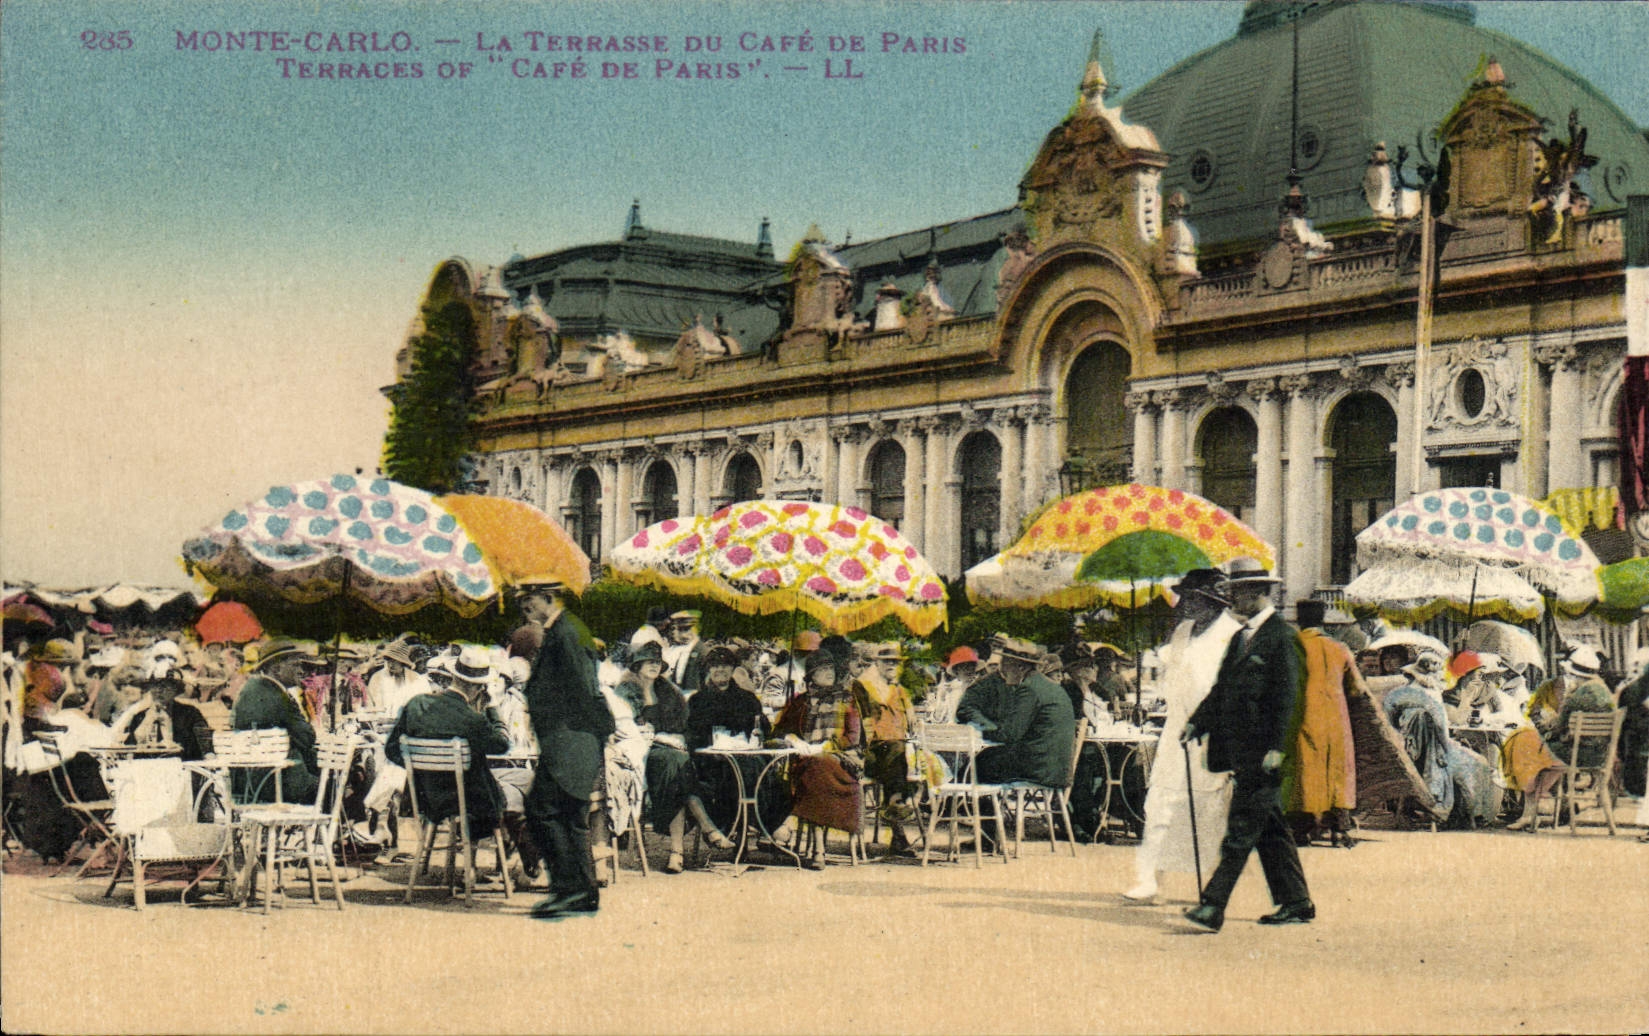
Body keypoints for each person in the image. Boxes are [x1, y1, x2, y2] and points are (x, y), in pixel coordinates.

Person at [1181, 558, 1312, 933]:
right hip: (1240, 750)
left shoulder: (1283, 637)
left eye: (1237, 592)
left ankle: (1212, 906)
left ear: (1256, 592)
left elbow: (1291, 698)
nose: (1232, 599)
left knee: (1240, 830)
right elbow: (1221, 689)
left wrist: (1278, 747)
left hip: (1265, 753)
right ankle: (1297, 902)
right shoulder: (1241, 638)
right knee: (1269, 829)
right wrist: (1197, 721)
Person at [1125, 568, 1241, 903]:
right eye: (1185, 597)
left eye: (1194, 598)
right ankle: (1151, 879)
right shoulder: (1181, 633)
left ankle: (1210, 886)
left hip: (1213, 733)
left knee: (1208, 807)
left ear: (1214, 602)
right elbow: (1171, 680)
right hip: (1176, 731)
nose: (1186, 604)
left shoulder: (1233, 635)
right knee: (1160, 801)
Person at [512, 585, 615, 919]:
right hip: (569, 740)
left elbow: (586, 689)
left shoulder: (567, 632)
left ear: (548, 597)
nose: (524, 605)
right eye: (522, 601)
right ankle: (581, 892)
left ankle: (571, 889)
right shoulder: (563, 629)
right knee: (570, 816)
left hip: (570, 740)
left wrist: (591, 735)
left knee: (543, 810)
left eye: (529, 599)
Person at [616, 641, 732, 873]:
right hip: (638, 754)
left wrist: (678, 738)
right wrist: (660, 737)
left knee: (676, 770)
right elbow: (626, 729)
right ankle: (706, 828)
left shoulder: (668, 691)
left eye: (657, 662)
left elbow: (685, 726)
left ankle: (677, 854)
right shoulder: (625, 691)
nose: (654, 666)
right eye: (649, 662)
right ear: (637, 665)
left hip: (668, 757)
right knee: (676, 764)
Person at [384, 645, 513, 846]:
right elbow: (502, 745)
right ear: (478, 687)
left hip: (427, 799)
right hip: (469, 804)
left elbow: (391, 749)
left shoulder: (417, 704)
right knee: (519, 784)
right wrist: (493, 706)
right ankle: (507, 847)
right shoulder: (472, 719)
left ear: (453, 676)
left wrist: (419, 768)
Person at [1383, 649, 1501, 827]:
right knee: (1480, 762)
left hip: (1409, 751)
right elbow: (1443, 731)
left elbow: (1388, 723)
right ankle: (1472, 815)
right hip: (1435, 752)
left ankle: (1462, 814)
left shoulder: (1397, 694)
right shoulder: (1432, 697)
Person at [1503, 645, 1615, 830]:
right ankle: (1531, 812)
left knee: (1526, 749)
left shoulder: (1577, 696)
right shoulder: (1604, 691)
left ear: (1575, 673)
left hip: (1575, 755)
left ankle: (1528, 813)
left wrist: (1546, 727)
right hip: (1599, 755)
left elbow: (1557, 728)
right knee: (1542, 757)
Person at [1283, 600, 1365, 847]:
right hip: (1337, 721)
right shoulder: (1340, 648)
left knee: (1304, 771)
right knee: (1337, 770)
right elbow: (1358, 689)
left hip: (1304, 717)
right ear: (1323, 621)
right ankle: (1339, 830)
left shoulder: (1291, 646)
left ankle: (1302, 829)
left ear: (1299, 621)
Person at [772, 648, 864, 869]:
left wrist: (825, 747)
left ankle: (800, 831)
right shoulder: (801, 702)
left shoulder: (847, 699)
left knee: (818, 766)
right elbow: (779, 731)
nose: (829, 672)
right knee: (815, 769)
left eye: (831, 668)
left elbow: (853, 737)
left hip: (841, 762)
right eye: (822, 669)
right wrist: (794, 739)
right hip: (806, 763)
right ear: (811, 675)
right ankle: (817, 850)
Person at [958, 635, 1076, 790]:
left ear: (1020, 667)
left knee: (978, 763)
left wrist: (979, 733)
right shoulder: (1051, 687)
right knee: (984, 761)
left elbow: (1010, 734)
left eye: (1005, 665)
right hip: (1057, 770)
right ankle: (977, 803)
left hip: (1038, 769)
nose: (1002, 670)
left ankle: (953, 802)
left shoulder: (1029, 689)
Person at [231, 639, 326, 804]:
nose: (301, 670)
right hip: (279, 783)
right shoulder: (278, 697)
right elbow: (307, 737)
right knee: (338, 785)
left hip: (247, 783)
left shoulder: (250, 689)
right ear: (276, 669)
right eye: (295, 665)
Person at [662, 610, 706, 696]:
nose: (682, 635)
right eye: (680, 630)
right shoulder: (683, 649)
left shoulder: (701, 650)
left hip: (695, 695)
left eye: (686, 629)